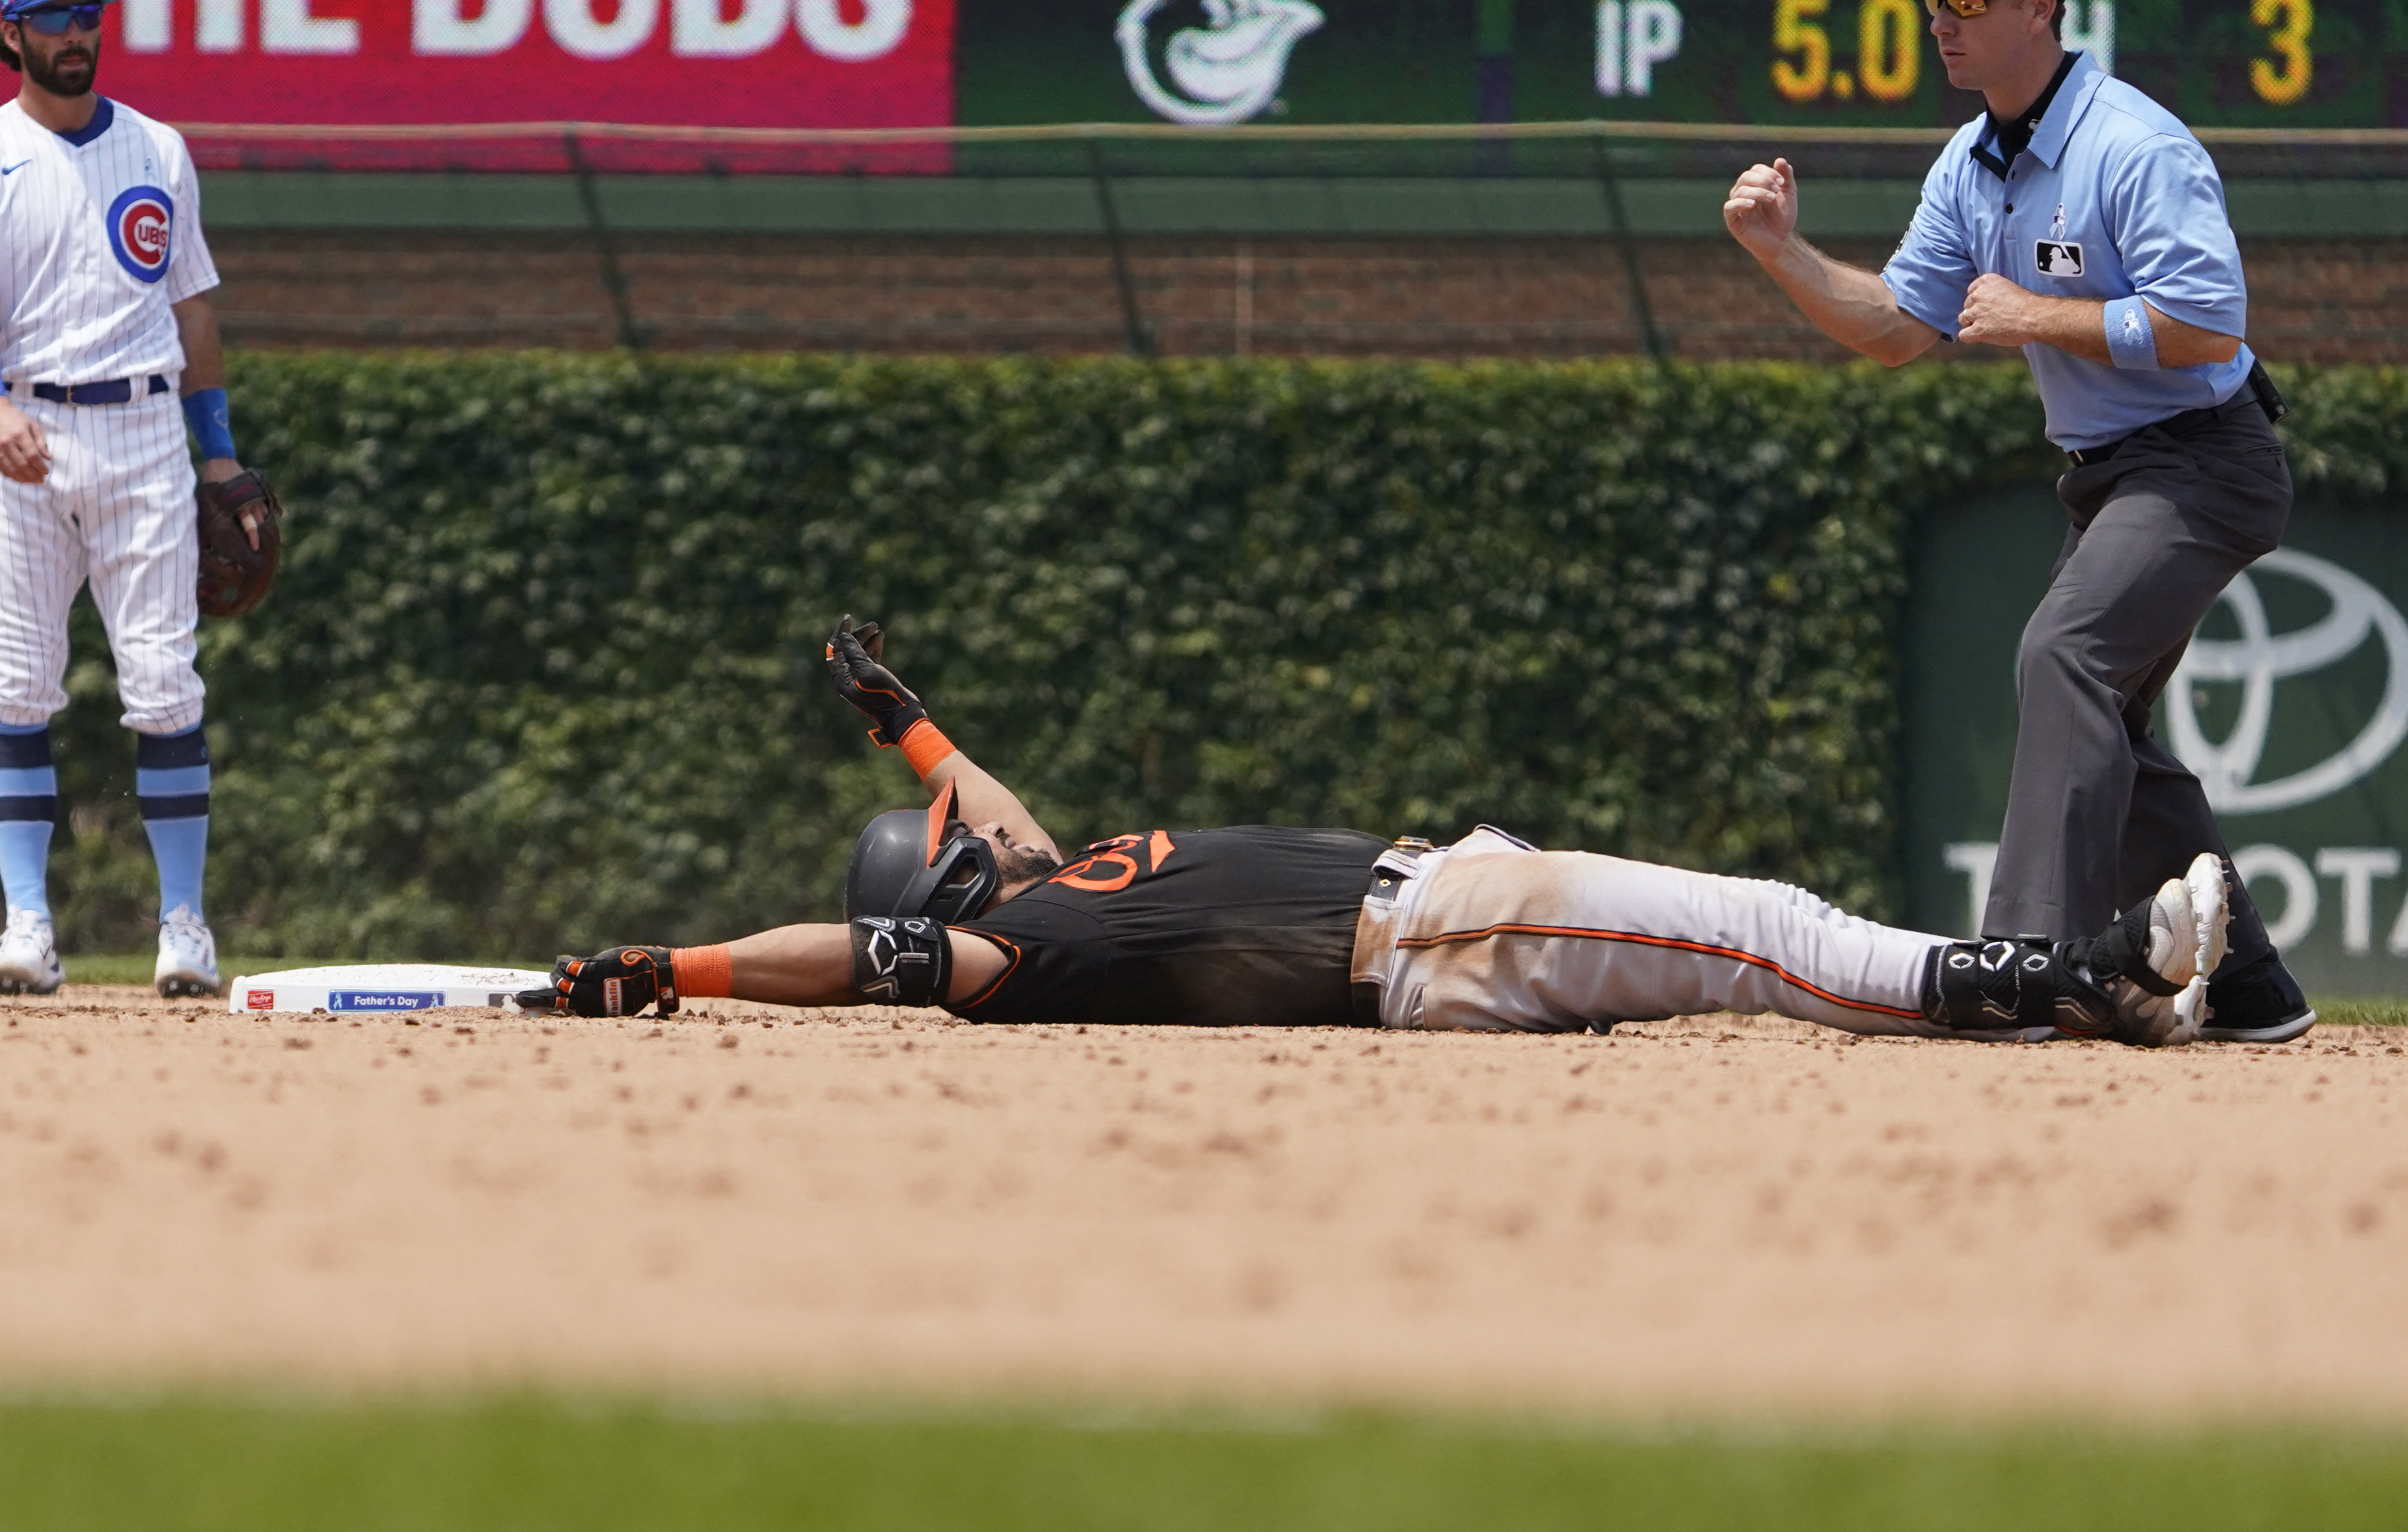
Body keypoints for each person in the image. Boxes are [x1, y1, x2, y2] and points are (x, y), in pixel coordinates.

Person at [524, 619, 2234, 1046]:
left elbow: (978, 807)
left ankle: (2071, 982)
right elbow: (866, 953)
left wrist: (892, 710)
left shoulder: (1058, 882)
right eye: (965, 853)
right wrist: (676, 965)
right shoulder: (1024, 948)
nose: (988, 836)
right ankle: (2074, 972)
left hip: (1440, 916)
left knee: (1758, 938)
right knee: (1767, 935)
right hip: (1438, 933)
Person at [1721, 0, 2312, 1043]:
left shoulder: (2133, 143)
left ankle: (2022, 963)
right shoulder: (1971, 159)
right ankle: (2247, 978)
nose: (1942, 20)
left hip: (2204, 459)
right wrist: (1780, 251)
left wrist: (2044, 313)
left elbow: (2209, 325)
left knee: (2065, 653)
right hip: (2109, 475)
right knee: (2104, 720)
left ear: (2041, 6)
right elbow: (1898, 328)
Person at [0, 0, 262, 998]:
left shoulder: (157, 148)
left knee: (163, 684)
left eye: (86, 13)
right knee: (15, 684)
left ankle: (185, 928)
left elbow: (191, 309)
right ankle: (28, 926)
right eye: (54, 18)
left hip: (145, 435)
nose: (76, 34)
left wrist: (221, 454)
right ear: (10, 35)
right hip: (23, 439)